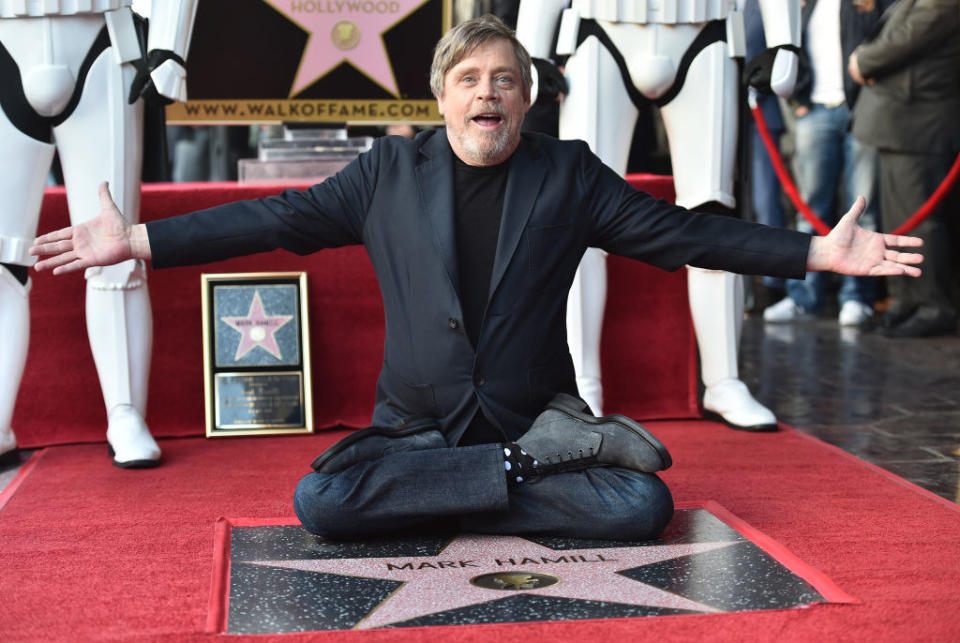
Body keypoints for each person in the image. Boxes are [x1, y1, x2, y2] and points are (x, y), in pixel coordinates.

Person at [30, 16, 923, 541]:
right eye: (469, 78)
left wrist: (813, 254)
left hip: (536, 416)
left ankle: (475, 485)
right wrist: (138, 239)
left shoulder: (568, 174)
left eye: (505, 80)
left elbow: (680, 233)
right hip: (417, 429)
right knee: (320, 500)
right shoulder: (386, 174)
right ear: (441, 95)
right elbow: (272, 219)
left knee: (641, 502)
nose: (487, 92)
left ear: (524, 101)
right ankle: (514, 478)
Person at [515, 0, 800, 431]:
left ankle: (723, 379)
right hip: (602, 30)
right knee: (579, 217)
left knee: (711, 208)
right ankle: (579, 383)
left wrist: (786, 40)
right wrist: (531, 48)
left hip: (706, 31)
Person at [0, 0, 197, 467]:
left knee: (116, 250)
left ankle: (125, 411)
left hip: (104, 40)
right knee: (2, 259)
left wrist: (171, 45)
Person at [763, 0, 894, 328]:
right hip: (816, 111)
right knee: (810, 210)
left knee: (864, 208)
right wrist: (800, 100)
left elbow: (888, 42)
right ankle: (802, 298)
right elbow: (791, 51)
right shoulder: (807, 6)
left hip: (861, 110)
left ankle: (856, 298)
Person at [850, 0, 959, 338]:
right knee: (898, 223)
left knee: (920, 225)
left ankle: (933, 306)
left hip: (918, 123)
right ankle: (906, 299)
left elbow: (902, 42)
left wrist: (861, 61)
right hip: (900, 122)